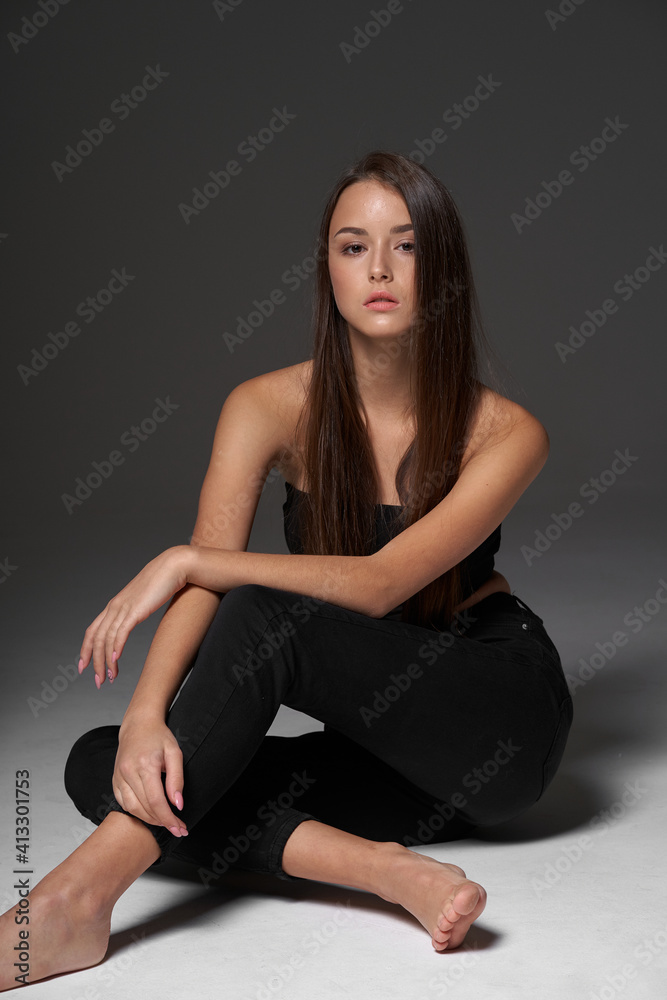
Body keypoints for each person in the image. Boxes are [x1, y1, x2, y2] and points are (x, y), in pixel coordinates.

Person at [0, 150, 573, 990]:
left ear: (439, 266)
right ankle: (386, 872)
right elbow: (208, 594)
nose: (378, 268)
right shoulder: (264, 407)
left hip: (490, 723)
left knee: (262, 612)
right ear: (326, 268)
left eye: (406, 247)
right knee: (106, 763)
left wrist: (186, 557)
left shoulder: (503, 430)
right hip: (387, 762)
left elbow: (379, 585)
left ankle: (69, 905)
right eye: (352, 246)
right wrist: (146, 717)